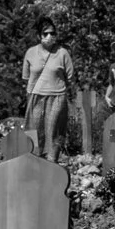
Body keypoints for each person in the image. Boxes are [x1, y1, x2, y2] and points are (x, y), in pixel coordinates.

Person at [20, 20, 75, 164]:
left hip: (57, 96)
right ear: (39, 35)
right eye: (46, 33)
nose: (49, 36)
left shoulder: (63, 53)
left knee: (53, 131)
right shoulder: (31, 53)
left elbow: (70, 78)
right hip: (35, 96)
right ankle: (34, 161)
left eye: (52, 33)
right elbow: (26, 78)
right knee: (34, 130)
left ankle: (52, 163)